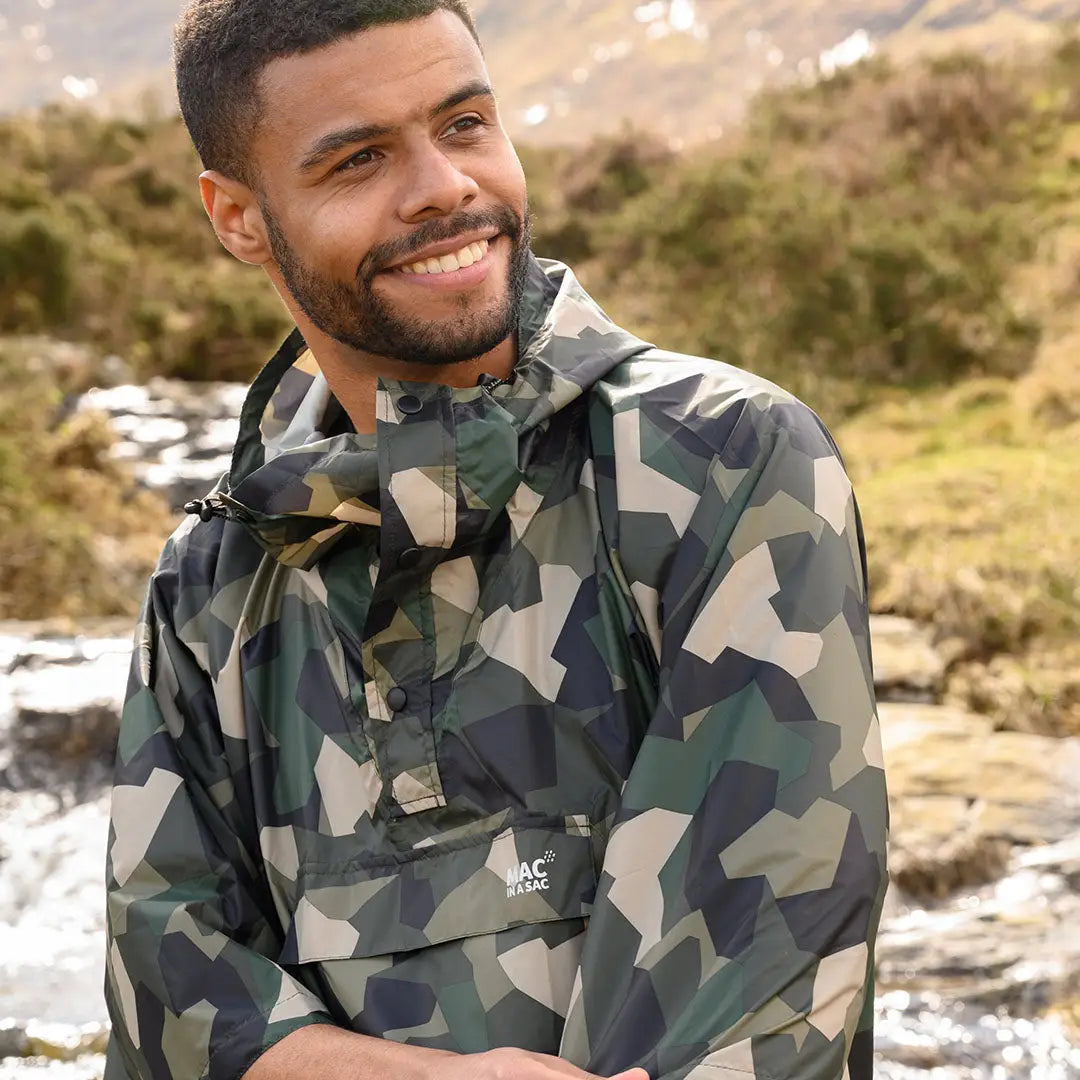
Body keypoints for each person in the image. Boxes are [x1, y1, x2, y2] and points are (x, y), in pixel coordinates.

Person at [102, 2, 889, 1079]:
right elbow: (169, 1005)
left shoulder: (722, 461)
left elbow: (760, 980)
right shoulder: (210, 580)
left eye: (464, 123)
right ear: (238, 216)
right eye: (360, 158)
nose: (443, 187)